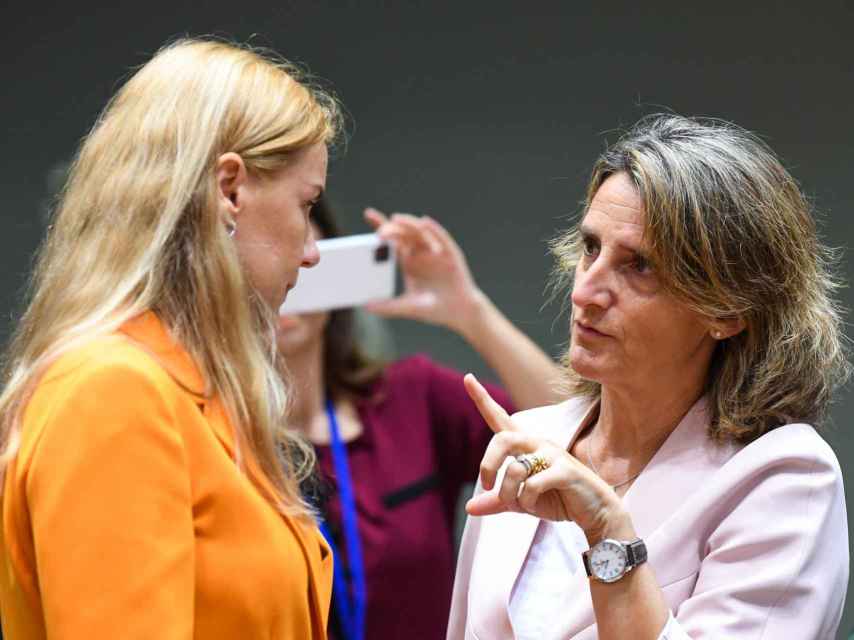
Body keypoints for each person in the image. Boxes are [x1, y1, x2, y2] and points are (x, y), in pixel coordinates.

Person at [447, 114, 850, 639]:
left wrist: (608, 532)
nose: (585, 293)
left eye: (640, 267)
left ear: (727, 310)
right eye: (591, 248)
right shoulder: (528, 440)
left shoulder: (784, 477)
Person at [0, 38, 342, 639]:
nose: (312, 251)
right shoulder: (112, 393)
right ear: (229, 189)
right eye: (305, 205)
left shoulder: (186, 391)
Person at [276, 197, 564, 640]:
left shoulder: (413, 399)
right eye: (263, 253)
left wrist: (469, 310)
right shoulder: (206, 432)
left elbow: (569, 432)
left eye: (300, 248)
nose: (287, 274)